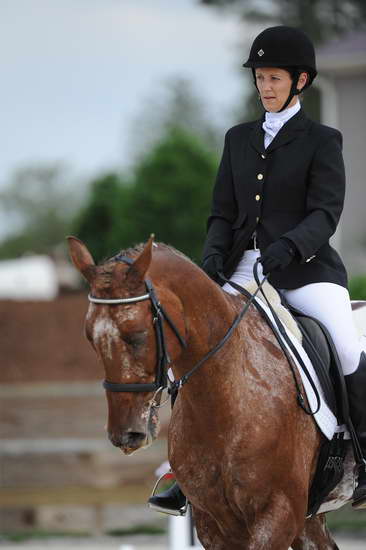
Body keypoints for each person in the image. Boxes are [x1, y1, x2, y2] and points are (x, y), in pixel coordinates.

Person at [148, 25, 366, 515]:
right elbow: (223, 212)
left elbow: (325, 213)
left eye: (273, 78)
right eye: (260, 78)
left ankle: (362, 455)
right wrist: (211, 259)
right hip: (242, 269)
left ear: (300, 81)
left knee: (346, 346)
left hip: (305, 269)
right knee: (193, 347)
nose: (265, 87)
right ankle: (185, 471)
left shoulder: (322, 140)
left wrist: (289, 247)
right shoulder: (238, 139)